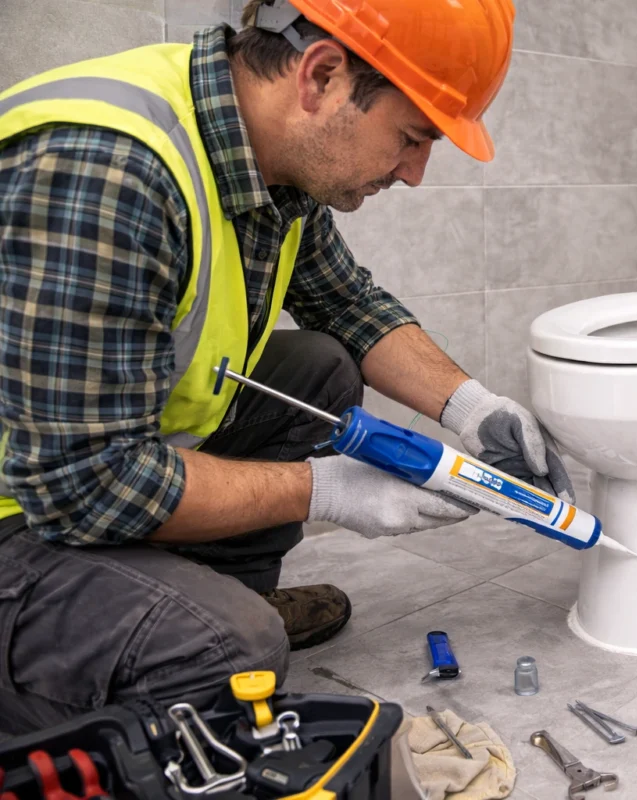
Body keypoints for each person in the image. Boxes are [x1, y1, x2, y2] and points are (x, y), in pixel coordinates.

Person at [0, 0, 574, 735]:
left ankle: (195, 594)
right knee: (229, 653)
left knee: (319, 369)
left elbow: (348, 305)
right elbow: (85, 483)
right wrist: (327, 489)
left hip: (84, 479)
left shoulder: (267, 159)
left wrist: (474, 406)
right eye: (411, 137)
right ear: (322, 76)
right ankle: (156, 637)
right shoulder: (109, 172)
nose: (415, 173)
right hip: (29, 510)